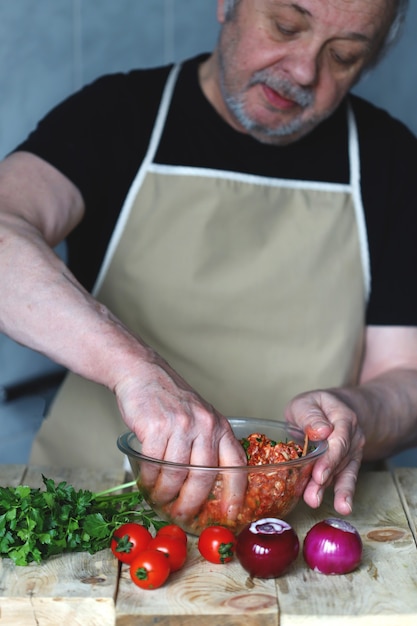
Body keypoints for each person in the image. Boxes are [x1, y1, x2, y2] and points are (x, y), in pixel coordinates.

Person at [0, 0, 416, 520]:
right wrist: (138, 373)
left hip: (295, 514)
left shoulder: (391, 161)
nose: (304, 71)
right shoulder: (115, 115)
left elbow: (406, 375)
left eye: (345, 56)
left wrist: (358, 412)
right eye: (286, 26)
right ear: (227, 4)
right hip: (97, 500)